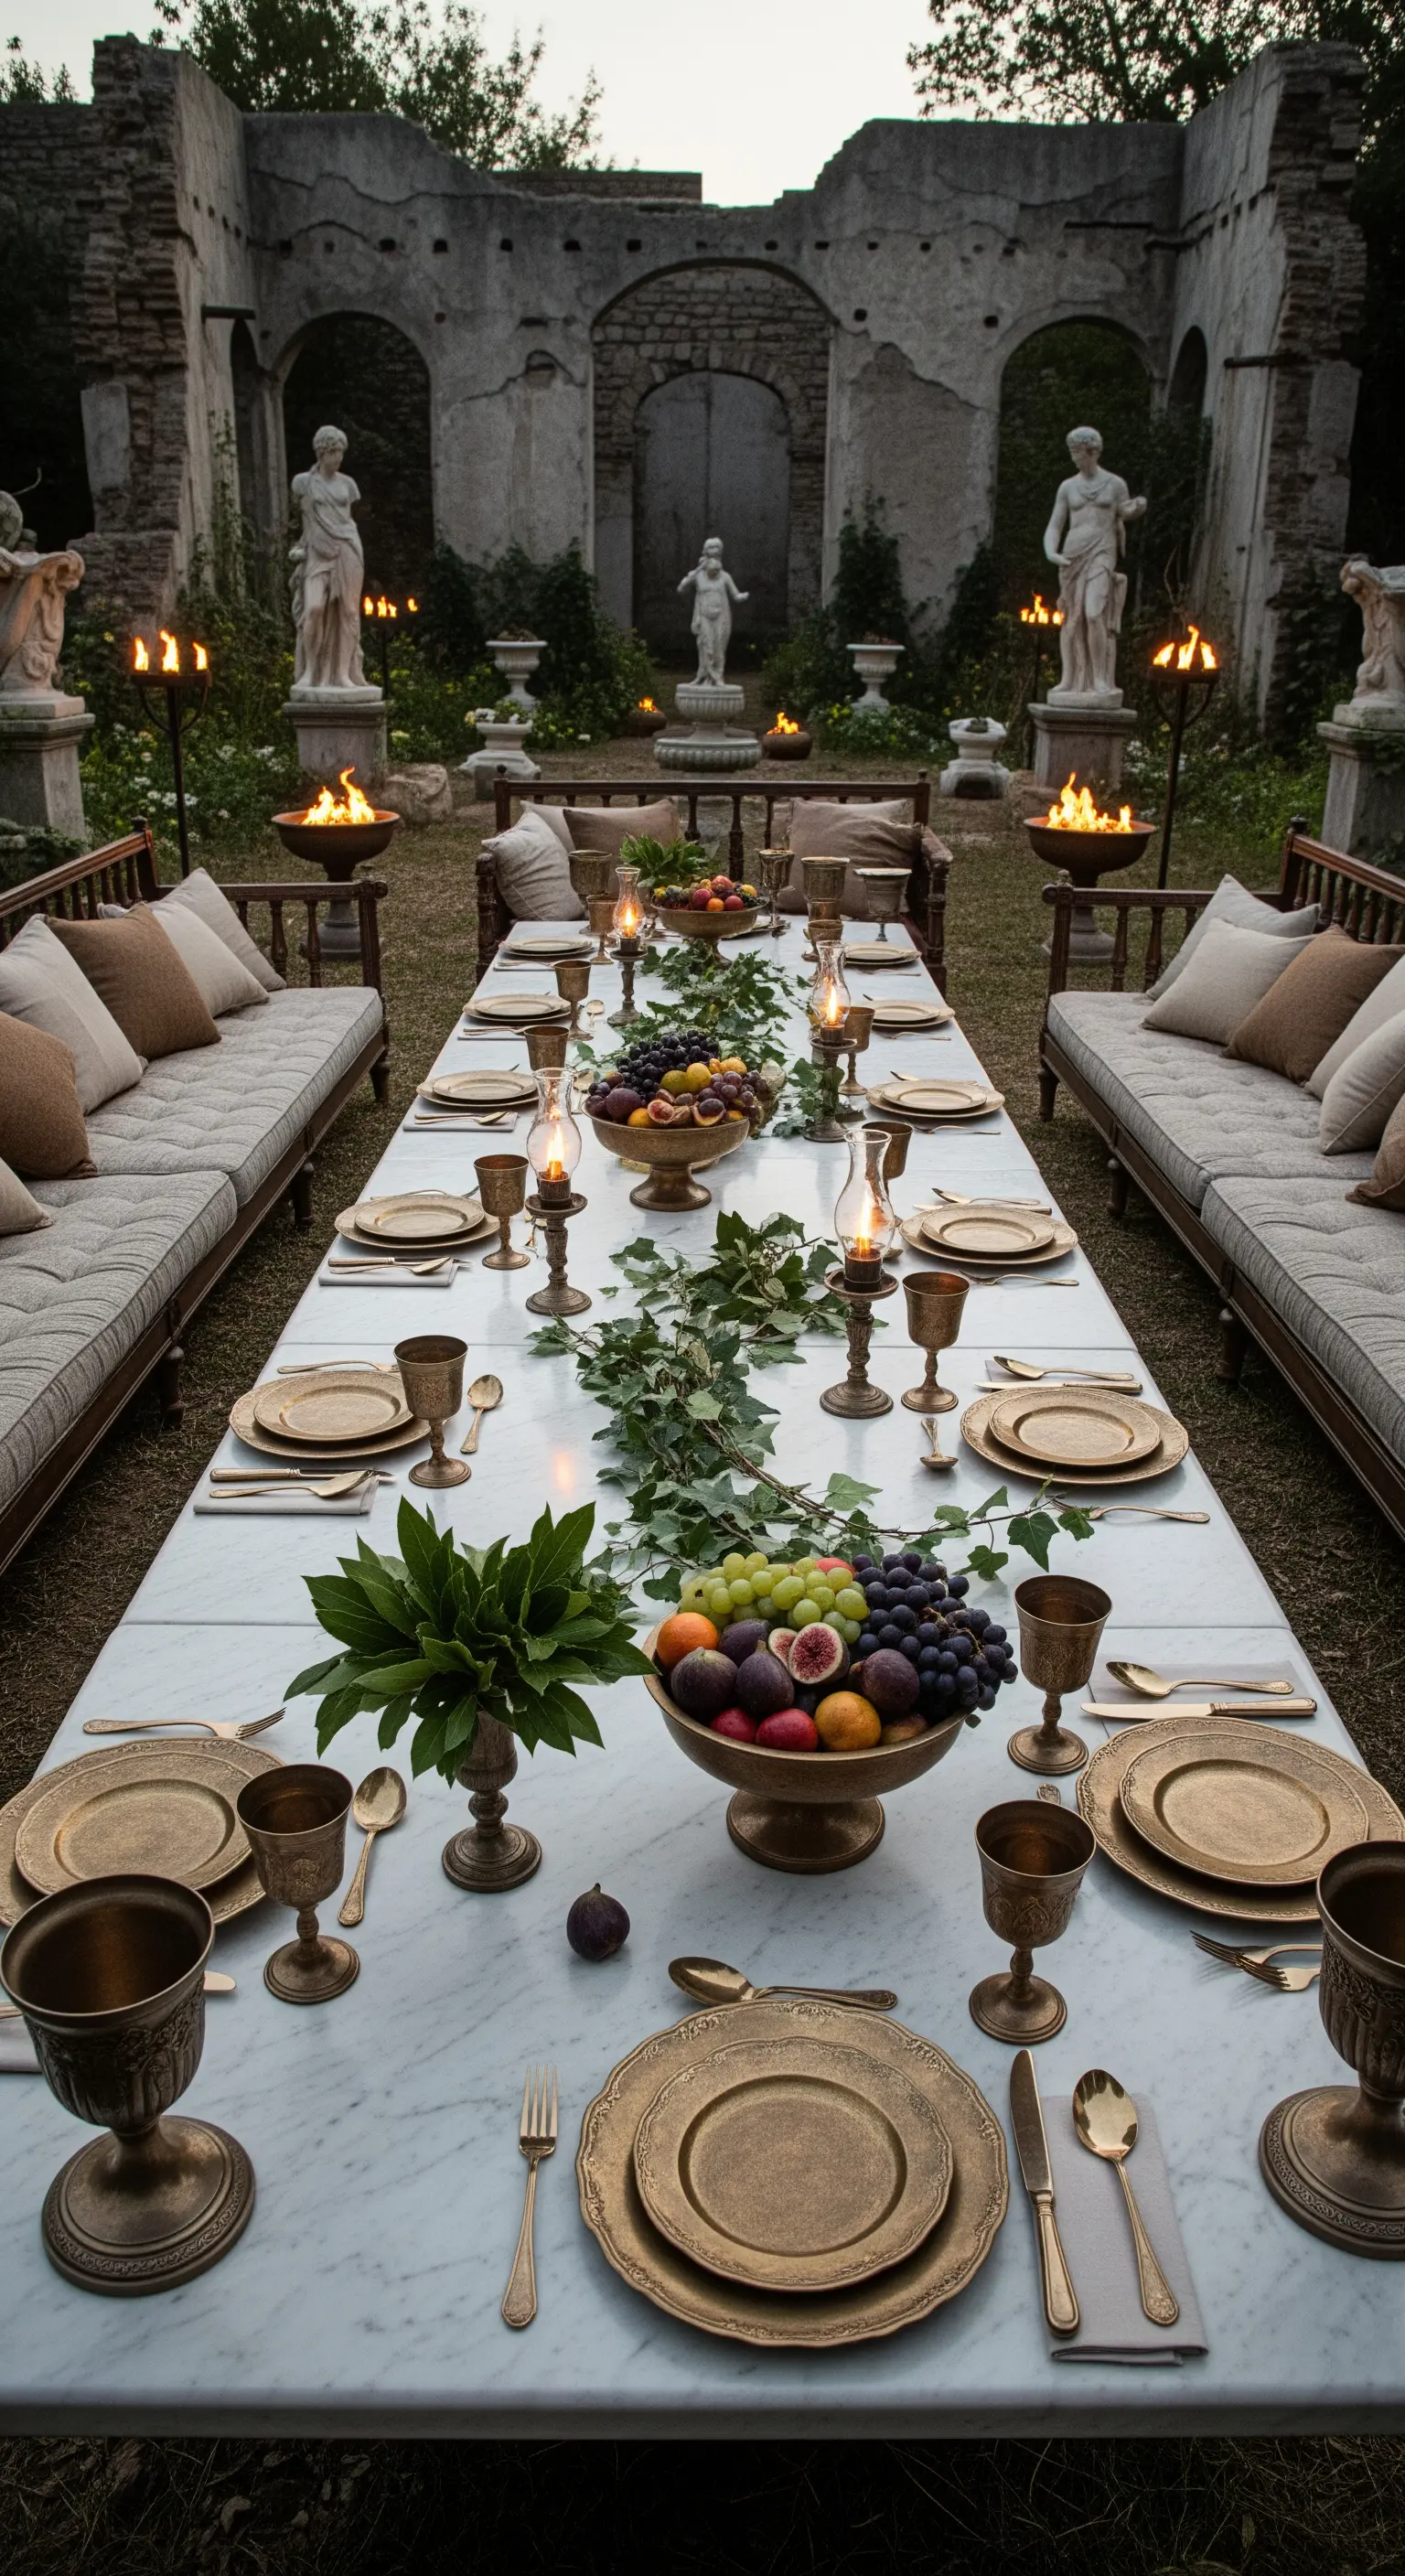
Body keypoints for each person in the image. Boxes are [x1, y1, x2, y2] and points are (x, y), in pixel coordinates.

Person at [1043, 428, 1145, 701]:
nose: (1074, 458)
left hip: (1102, 550)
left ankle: (1099, 678)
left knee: (1092, 612)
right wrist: (1051, 551)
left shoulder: (1114, 484)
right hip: (1072, 555)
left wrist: (1136, 509)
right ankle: (1069, 678)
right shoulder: (1067, 487)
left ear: (1092, 452)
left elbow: (1125, 512)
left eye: (1077, 453)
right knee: (1071, 618)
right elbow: (1055, 525)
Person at [290, 427, 368, 692]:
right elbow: (305, 523)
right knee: (313, 609)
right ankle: (311, 671)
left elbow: (347, 519)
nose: (339, 458)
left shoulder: (348, 485)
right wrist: (301, 547)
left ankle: (344, 674)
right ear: (323, 452)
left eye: (341, 453)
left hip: (348, 548)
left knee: (348, 612)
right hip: (317, 552)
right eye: (335, 452)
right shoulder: (303, 483)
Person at [677, 538, 747, 686]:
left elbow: (735, 595)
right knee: (705, 645)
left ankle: (717, 676)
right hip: (703, 616)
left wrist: (742, 597)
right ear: (705, 553)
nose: (714, 554)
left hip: (721, 616)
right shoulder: (699, 576)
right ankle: (702, 675)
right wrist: (697, 570)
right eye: (711, 550)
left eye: (717, 550)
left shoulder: (725, 577)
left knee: (719, 646)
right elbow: (681, 588)